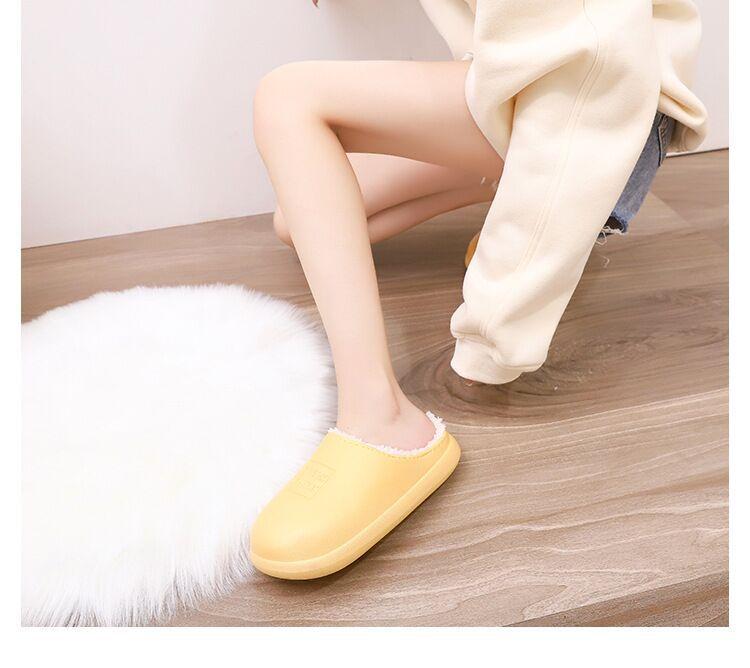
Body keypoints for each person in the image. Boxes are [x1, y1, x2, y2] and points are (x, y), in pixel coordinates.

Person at [249, 0, 707, 580]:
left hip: (606, 111)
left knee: (288, 99)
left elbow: (597, 69)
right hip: (544, 89)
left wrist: (500, 311)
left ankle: (380, 416)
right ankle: (505, 180)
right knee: (299, 220)